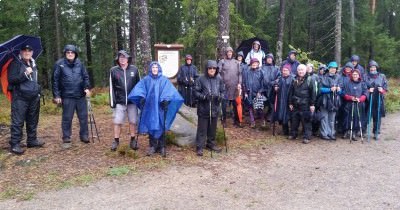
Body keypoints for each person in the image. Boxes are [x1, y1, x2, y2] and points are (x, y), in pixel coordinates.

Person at [128, 62, 183, 157]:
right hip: (150, 107)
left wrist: (166, 100)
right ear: (150, 69)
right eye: (153, 67)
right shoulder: (146, 80)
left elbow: (169, 91)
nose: (154, 69)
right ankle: (152, 146)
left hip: (160, 107)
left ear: (159, 69)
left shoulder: (164, 80)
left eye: (156, 67)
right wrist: (142, 97)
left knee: (161, 125)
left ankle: (161, 146)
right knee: (151, 125)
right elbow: (140, 89)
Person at [7, 45, 45, 154]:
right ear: (21, 52)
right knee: (18, 121)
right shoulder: (15, 63)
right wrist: (25, 74)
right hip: (20, 98)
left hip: (33, 97)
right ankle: (15, 144)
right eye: (24, 50)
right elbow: (12, 79)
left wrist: (38, 89)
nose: (27, 52)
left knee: (32, 120)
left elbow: (34, 80)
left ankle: (32, 140)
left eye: (29, 50)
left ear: (32, 52)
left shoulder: (33, 63)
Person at [52, 44, 91, 148]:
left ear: (75, 54)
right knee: (67, 117)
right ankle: (66, 137)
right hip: (67, 95)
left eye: (72, 52)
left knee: (83, 117)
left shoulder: (80, 63)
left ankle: (84, 135)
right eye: (68, 52)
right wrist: (56, 95)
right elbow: (55, 80)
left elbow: (85, 77)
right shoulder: (59, 64)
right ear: (65, 53)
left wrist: (86, 87)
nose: (70, 54)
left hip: (80, 95)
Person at [109, 50, 141, 151]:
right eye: (120, 57)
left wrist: (139, 100)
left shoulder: (134, 70)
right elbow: (111, 87)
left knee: (133, 121)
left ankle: (133, 140)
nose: (122, 59)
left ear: (128, 59)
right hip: (120, 101)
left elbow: (139, 86)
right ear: (118, 59)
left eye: (124, 57)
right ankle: (116, 140)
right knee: (117, 122)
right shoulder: (114, 70)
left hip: (132, 102)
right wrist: (112, 101)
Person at [194, 60, 225, 156]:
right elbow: (195, 92)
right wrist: (204, 97)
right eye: (210, 68)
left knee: (212, 128)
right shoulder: (200, 79)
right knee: (202, 129)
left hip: (215, 107)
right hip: (204, 108)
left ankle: (211, 144)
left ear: (216, 69)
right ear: (207, 69)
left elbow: (222, 90)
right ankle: (199, 146)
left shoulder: (219, 79)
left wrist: (221, 96)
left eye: (214, 68)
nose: (212, 70)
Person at [288, 64, 316, 144]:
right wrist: (290, 102)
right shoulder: (294, 79)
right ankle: (293, 134)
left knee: (306, 121)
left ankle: (307, 137)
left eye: (302, 70)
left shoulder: (310, 80)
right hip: (295, 103)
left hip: (306, 104)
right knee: (294, 121)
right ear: (297, 71)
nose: (301, 71)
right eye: (299, 70)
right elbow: (291, 92)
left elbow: (313, 93)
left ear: (305, 71)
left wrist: (312, 104)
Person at [218, 47, 242, 127]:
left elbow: (239, 74)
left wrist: (239, 83)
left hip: (235, 87)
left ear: (232, 53)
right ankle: (223, 120)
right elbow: (218, 73)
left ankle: (236, 121)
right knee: (224, 105)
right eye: (228, 52)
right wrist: (221, 83)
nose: (229, 53)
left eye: (230, 52)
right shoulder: (222, 62)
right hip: (225, 88)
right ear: (226, 53)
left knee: (236, 105)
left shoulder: (236, 62)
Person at [318, 61, 341, 140]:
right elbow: (320, 89)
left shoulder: (338, 77)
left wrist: (339, 89)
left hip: (335, 100)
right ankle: (324, 133)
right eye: (331, 68)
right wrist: (330, 89)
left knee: (332, 118)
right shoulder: (323, 77)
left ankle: (331, 133)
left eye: (334, 68)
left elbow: (341, 90)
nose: (333, 70)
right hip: (325, 100)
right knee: (324, 117)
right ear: (328, 69)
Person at [365, 60, 388, 140]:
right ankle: (364, 130)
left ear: (376, 68)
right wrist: (368, 90)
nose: (372, 68)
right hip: (368, 98)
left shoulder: (382, 76)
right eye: (371, 67)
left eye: (374, 67)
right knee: (366, 115)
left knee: (377, 116)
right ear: (369, 68)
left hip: (378, 98)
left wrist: (382, 90)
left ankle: (376, 132)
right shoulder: (365, 76)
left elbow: (385, 88)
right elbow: (363, 87)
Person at [342, 69, 368, 140]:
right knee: (347, 117)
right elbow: (344, 93)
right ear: (351, 75)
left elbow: (365, 93)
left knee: (356, 118)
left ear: (359, 75)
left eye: (356, 74)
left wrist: (360, 99)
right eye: (353, 74)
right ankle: (346, 131)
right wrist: (350, 98)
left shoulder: (362, 83)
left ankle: (354, 132)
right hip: (349, 103)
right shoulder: (347, 83)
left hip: (359, 104)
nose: (355, 76)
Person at [270, 64, 294, 136]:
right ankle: (285, 131)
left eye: (286, 70)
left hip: (289, 100)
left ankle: (292, 132)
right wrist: (275, 88)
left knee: (290, 116)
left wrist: (292, 101)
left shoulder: (293, 79)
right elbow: (273, 84)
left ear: (289, 71)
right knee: (282, 115)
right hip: (280, 100)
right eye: (283, 70)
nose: (285, 72)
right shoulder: (279, 79)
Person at [242, 58, 264, 128]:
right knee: (250, 107)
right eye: (253, 63)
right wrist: (245, 91)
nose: (254, 64)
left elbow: (263, 84)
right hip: (249, 92)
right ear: (251, 64)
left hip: (257, 93)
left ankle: (262, 121)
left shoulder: (260, 72)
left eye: (256, 63)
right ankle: (252, 122)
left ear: (258, 64)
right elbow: (244, 83)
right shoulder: (247, 72)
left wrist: (260, 92)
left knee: (259, 107)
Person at [261, 53, 280, 122]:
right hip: (264, 88)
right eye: (268, 58)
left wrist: (274, 82)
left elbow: (279, 77)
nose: (269, 59)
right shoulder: (262, 67)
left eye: (270, 58)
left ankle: (270, 116)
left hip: (272, 89)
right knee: (263, 103)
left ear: (272, 59)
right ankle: (261, 116)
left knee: (271, 103)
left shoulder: (276, 68)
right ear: (266, 59)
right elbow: (260, 77)